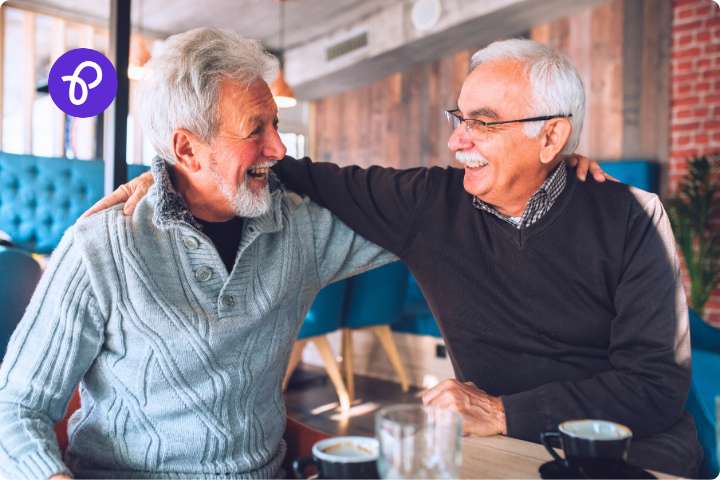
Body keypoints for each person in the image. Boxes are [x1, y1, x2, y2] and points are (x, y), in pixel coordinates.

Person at [103, 39, 702, 477]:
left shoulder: (633, 215)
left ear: (551, 138)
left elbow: (654, 388)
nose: (457, 140)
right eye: (459, 118)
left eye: (484, 123)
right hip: (496, 452)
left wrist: (500, 411)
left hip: (630, 448)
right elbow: (286, 167)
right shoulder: (429, 204)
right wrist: (169, 177)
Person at [0, 28, 396, 480]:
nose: (281, 149)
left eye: (276, 125)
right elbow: (15, 408)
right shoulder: (101, 247)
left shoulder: (299, 228)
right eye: (255, 130)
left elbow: (413, 222)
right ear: (186, 149)